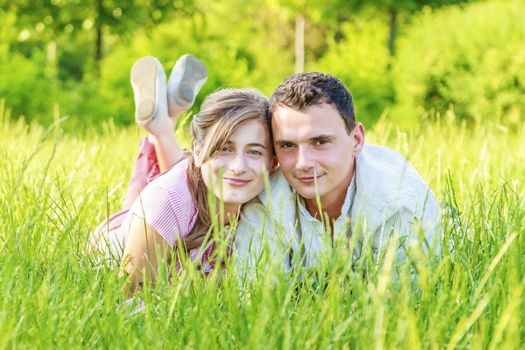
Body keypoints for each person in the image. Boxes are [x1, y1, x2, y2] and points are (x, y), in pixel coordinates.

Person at [90, 55, 275, 292]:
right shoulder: (166, 203)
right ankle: (161, 126)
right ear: (196, 151)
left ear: (273, 163)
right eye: (224, 148)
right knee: (151, 191)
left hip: (190, 189)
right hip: (116, 238)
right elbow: (130, 298)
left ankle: (163, 124)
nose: (239, 166)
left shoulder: (273, 201)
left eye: (254, 152)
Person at [235, 72, 440, 273]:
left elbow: (402, 300)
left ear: (356, 140)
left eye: (320, 142)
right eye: (288, 145)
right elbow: (255, 295)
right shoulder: (266, 202)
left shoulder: (397, 204)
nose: (303, 163)